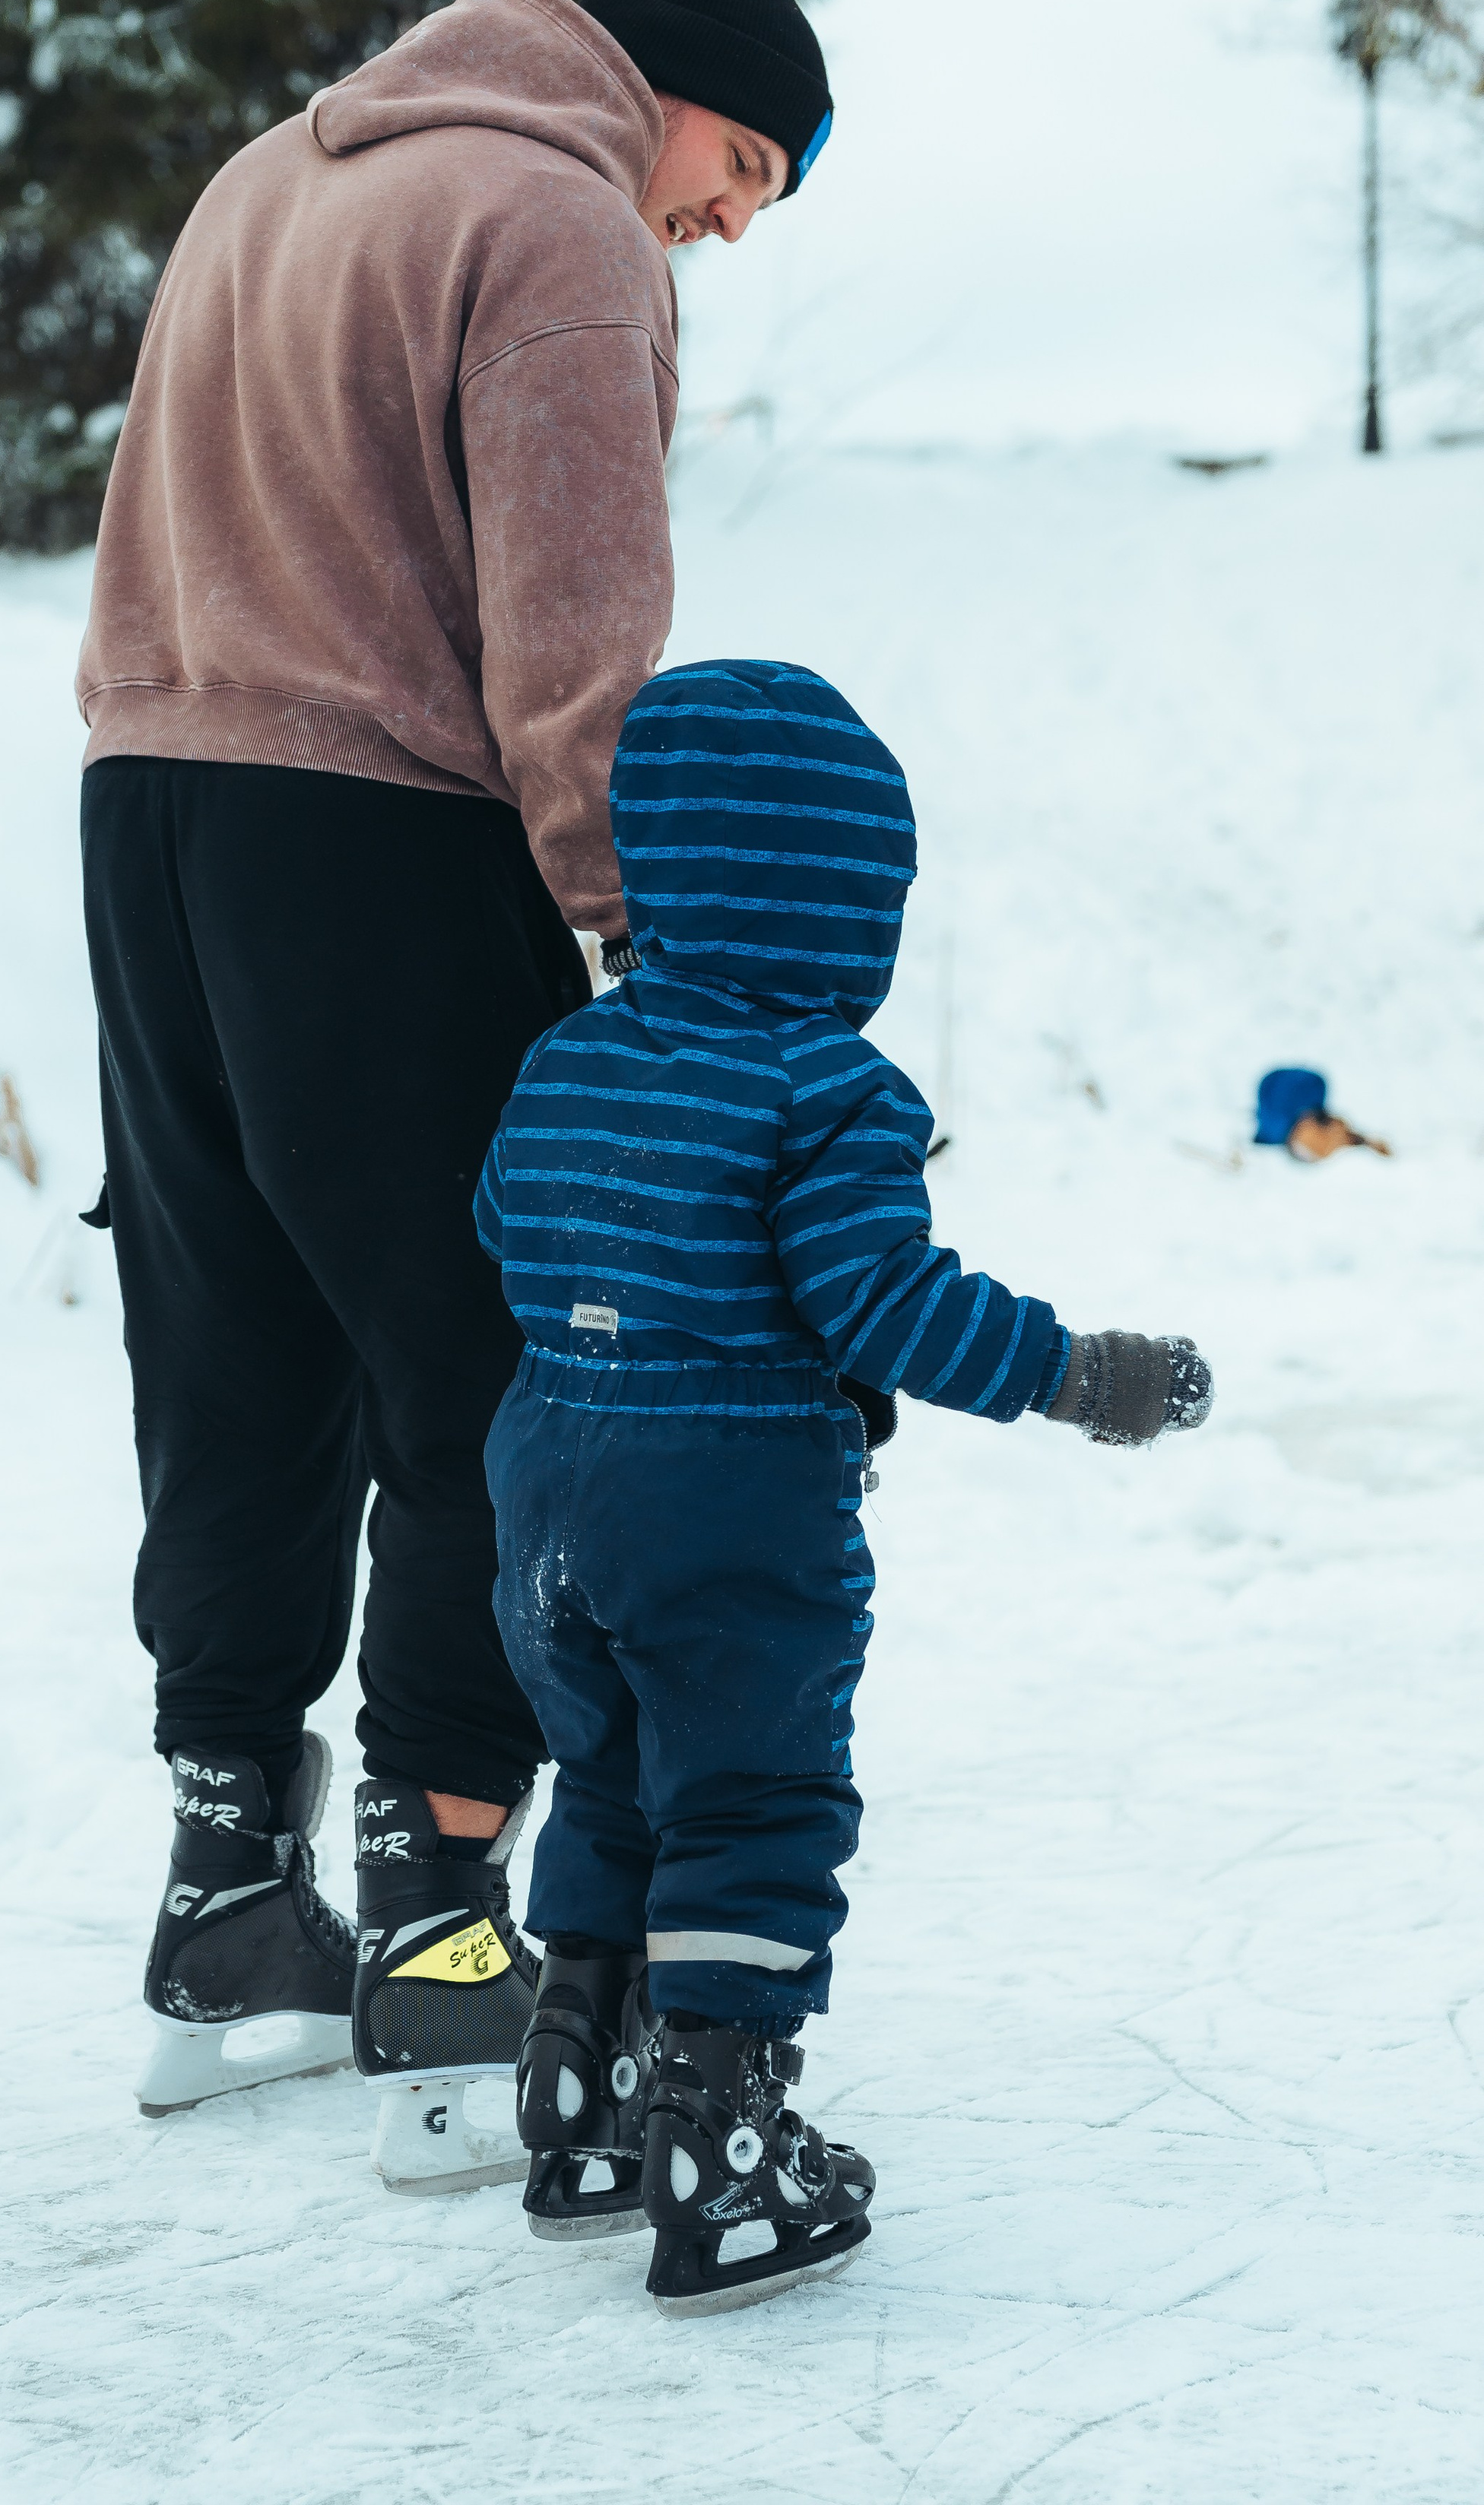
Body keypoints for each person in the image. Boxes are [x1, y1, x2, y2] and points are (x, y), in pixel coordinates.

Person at [74, 0, 837, 2179]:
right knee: (498, 1359)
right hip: (390, 841)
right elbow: (580, 624)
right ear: (663, 89)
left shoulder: (264, 183)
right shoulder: (559, 223)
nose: (728, 218)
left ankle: (231, 1901)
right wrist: (650, 934)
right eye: (745, 162)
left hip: (149, 813)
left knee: (233, 1343)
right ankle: (431, 1922)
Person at [476, 658, 1214, 2314]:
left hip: (543, 1488)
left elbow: (501, 1235)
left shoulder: (566, 1063)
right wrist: (1080, 1373)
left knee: (605, 1781)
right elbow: (883, 1306)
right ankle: (721, 2159)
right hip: (723, 1493)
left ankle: (579, 2098)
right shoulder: (830, 1090)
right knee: (747, 1799)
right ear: (845, 905)